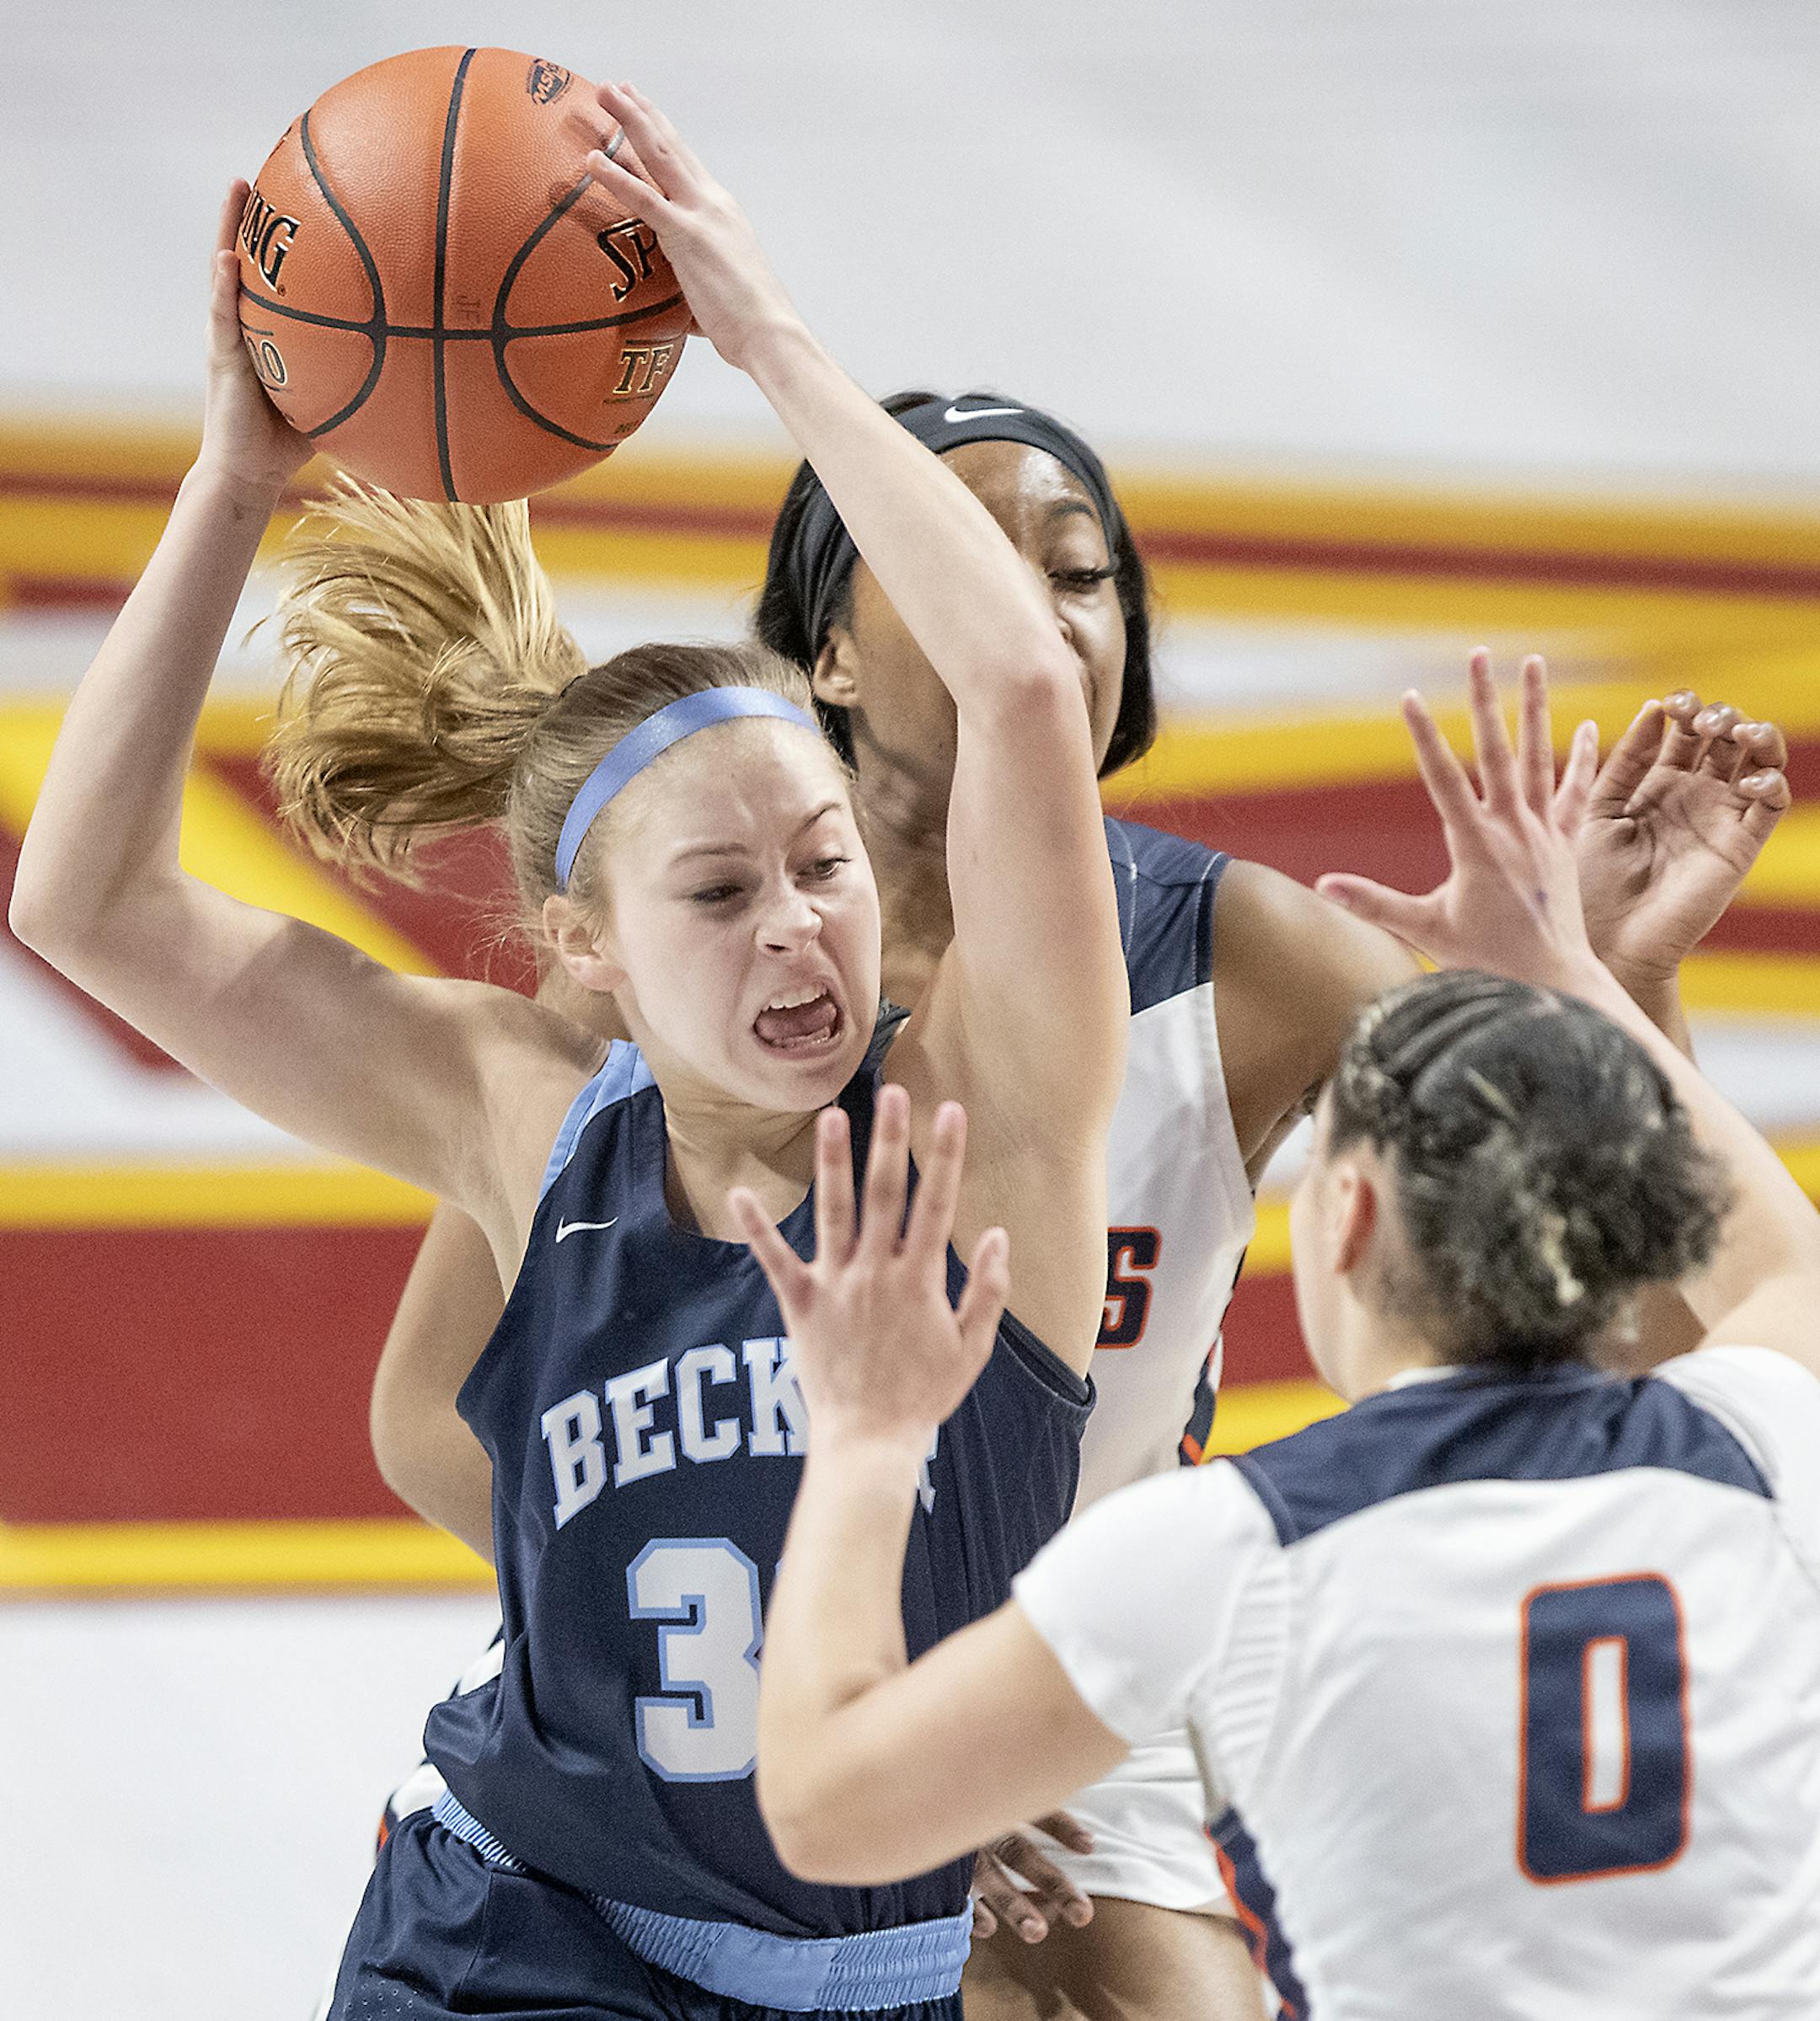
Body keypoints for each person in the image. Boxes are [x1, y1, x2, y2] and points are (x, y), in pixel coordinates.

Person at [356, 398, 1791, 2015]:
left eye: (1083, 572)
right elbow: (430, 1418)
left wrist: (1610, 987)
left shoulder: (1243, 954)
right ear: (827, 652)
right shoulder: (698, 987)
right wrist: (739, 1649)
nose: (1037, 615)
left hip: (1105, 1634)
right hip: (747, 1698)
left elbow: (1633, 1293)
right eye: (970, 562)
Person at [10, 83, 1128, 2021]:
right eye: (718, 896)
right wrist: (235, 485)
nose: (797, 926)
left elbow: (1024, 684)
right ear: (586, 952)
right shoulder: (527, 1115)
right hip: (519, 1945)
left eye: (825, 865)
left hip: (874, 1979)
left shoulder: (994, 1130)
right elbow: (90, 904)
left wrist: (768, 334)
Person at [747, 655, 1818, 2019]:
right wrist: (1579, 978)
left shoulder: (1229, 1549)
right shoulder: (1759, 1447)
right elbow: (1774, 1253)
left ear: (1349, 1212)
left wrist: (866, 1438)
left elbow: (829, 1810)